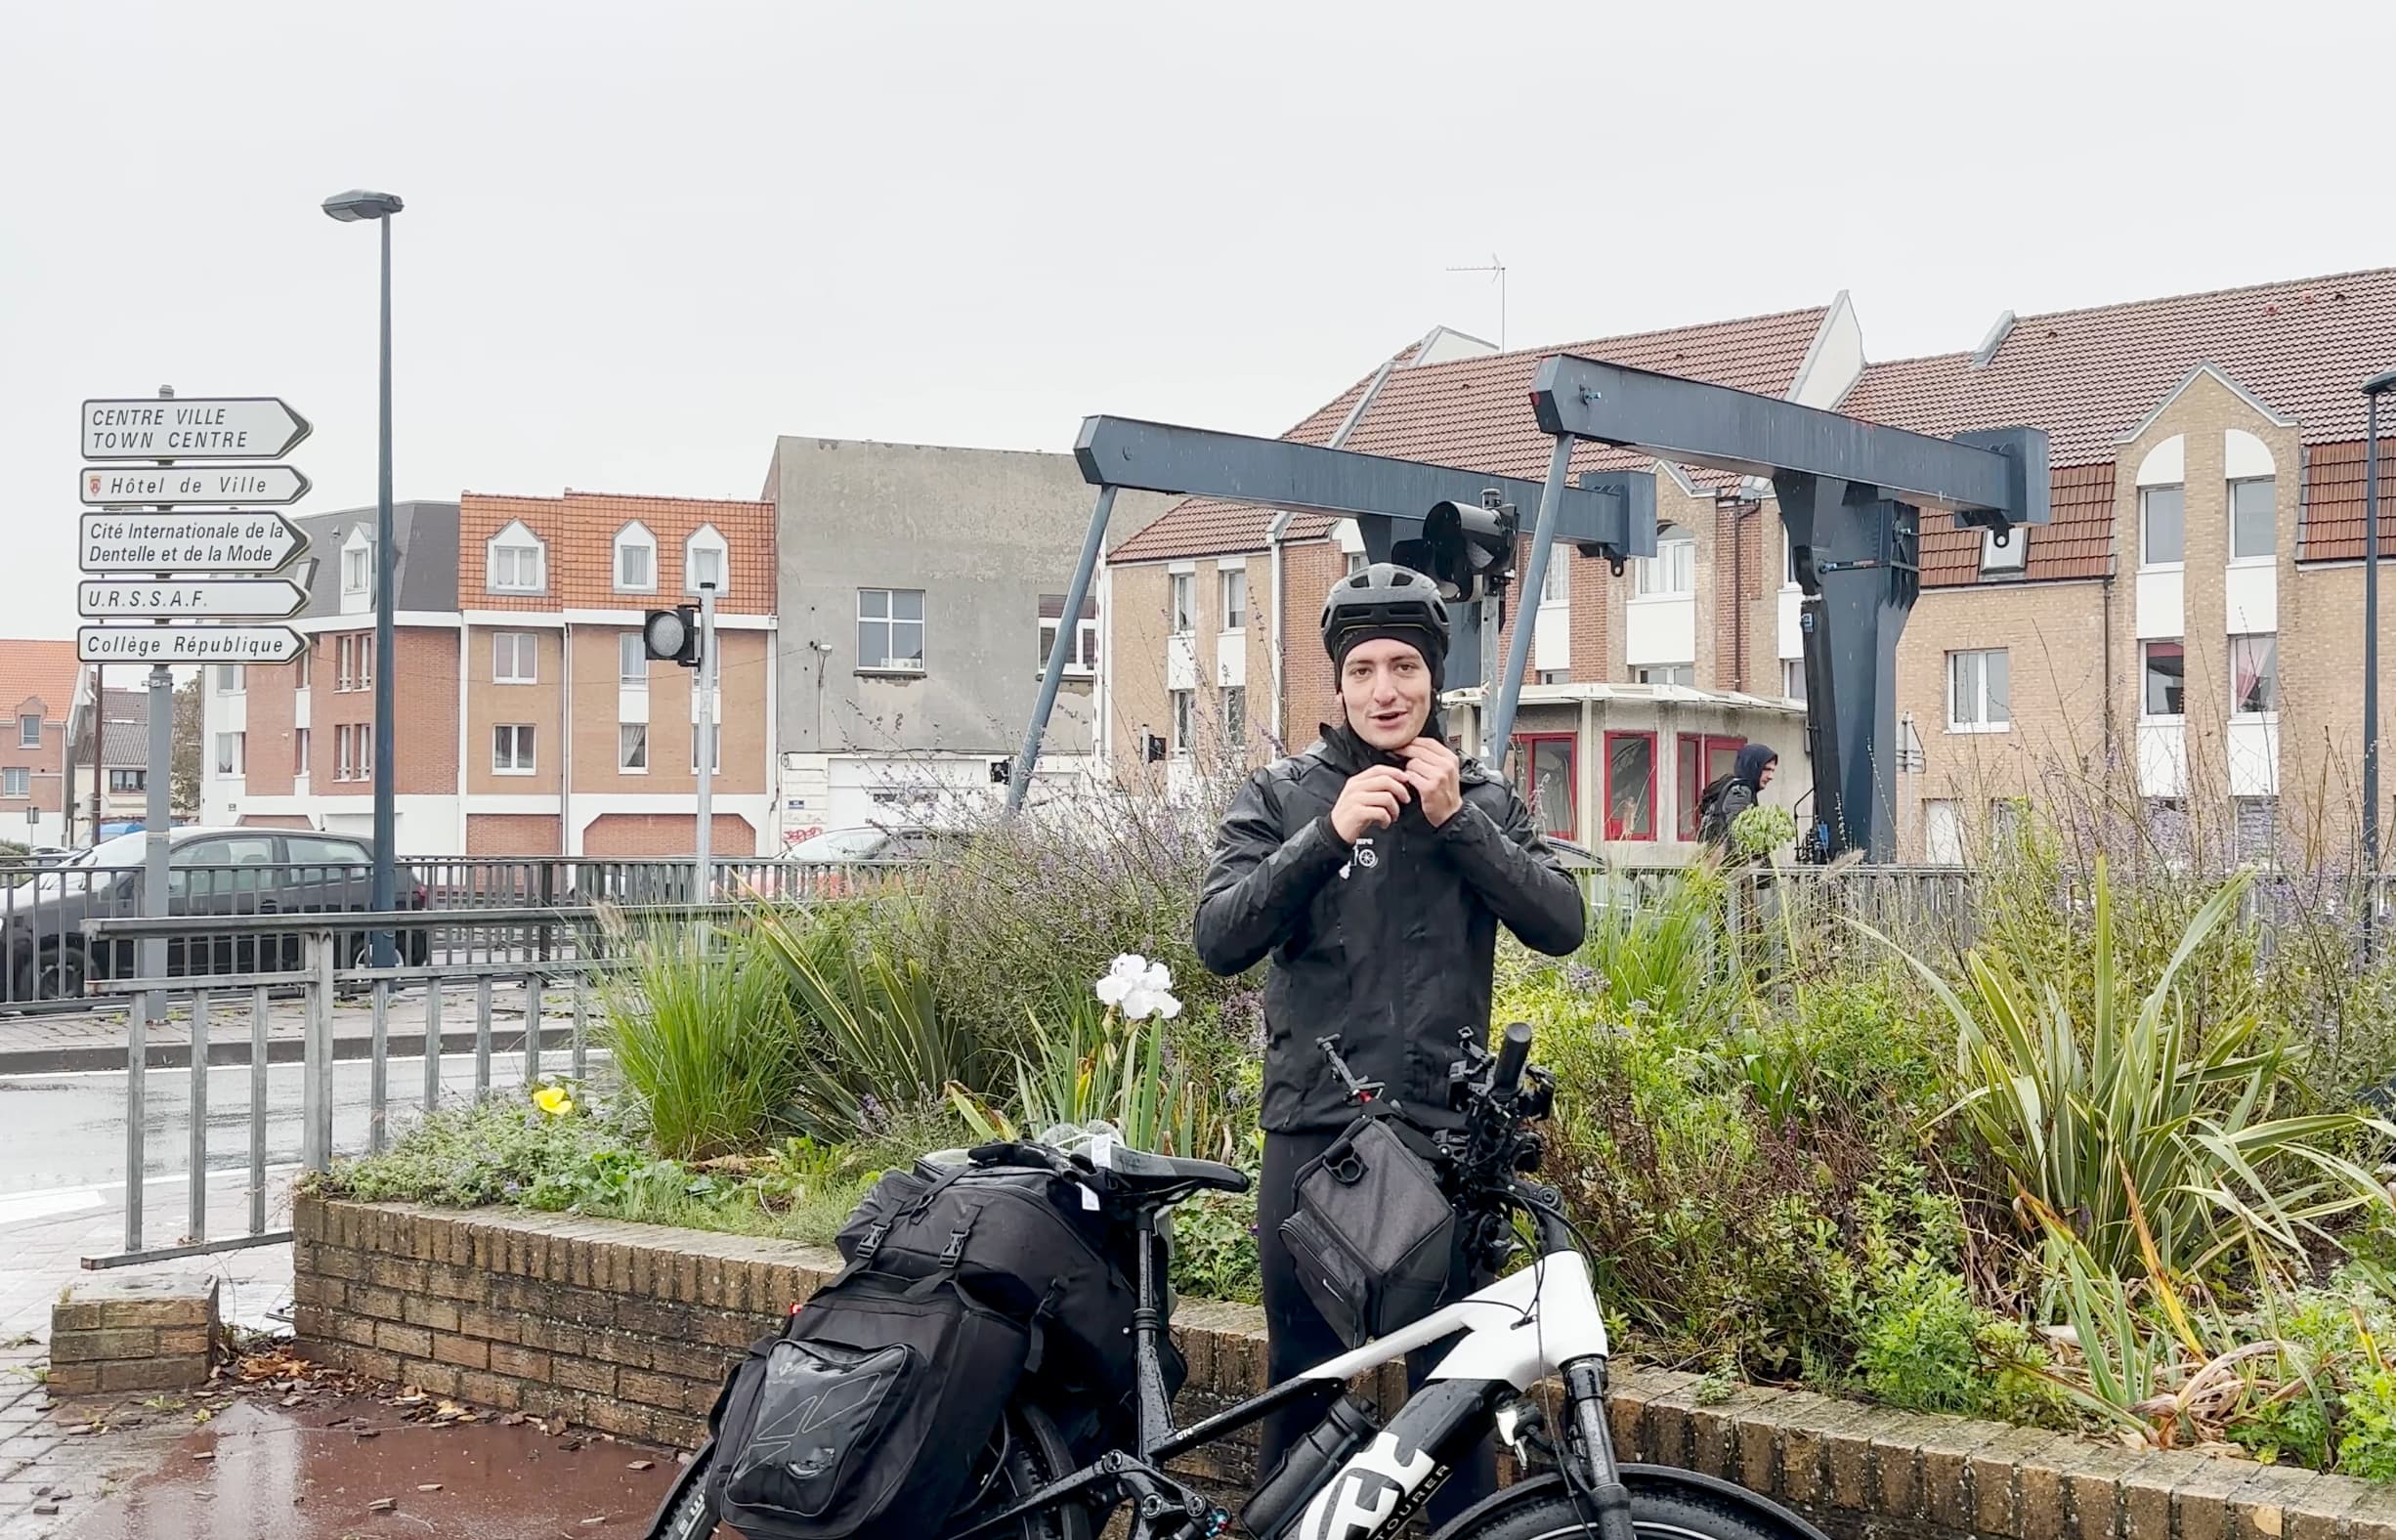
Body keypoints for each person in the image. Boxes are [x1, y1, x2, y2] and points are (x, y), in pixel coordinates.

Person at [1193, 563, 1586, 1527]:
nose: (1384, 688)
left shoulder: (1479, 794)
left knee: (1450, 1396)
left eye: (1404, 666)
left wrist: (1456, 824)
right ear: (1337, 684)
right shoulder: (1283, 794)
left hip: (1446, 1141)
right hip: (1317, 1135)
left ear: (1434, 677)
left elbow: (1561, 921)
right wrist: (1324, 835)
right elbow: (1218, 936)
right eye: (1363, 667)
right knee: (1308, 1383)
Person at [1695, 742, 1780, 857]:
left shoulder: (1731, 785)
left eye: (1773, 770)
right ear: (1752, 766)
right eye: (1766, 769)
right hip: (1729, 869)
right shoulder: (1741, 791)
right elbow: (1738, 836)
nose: (1771, 776)